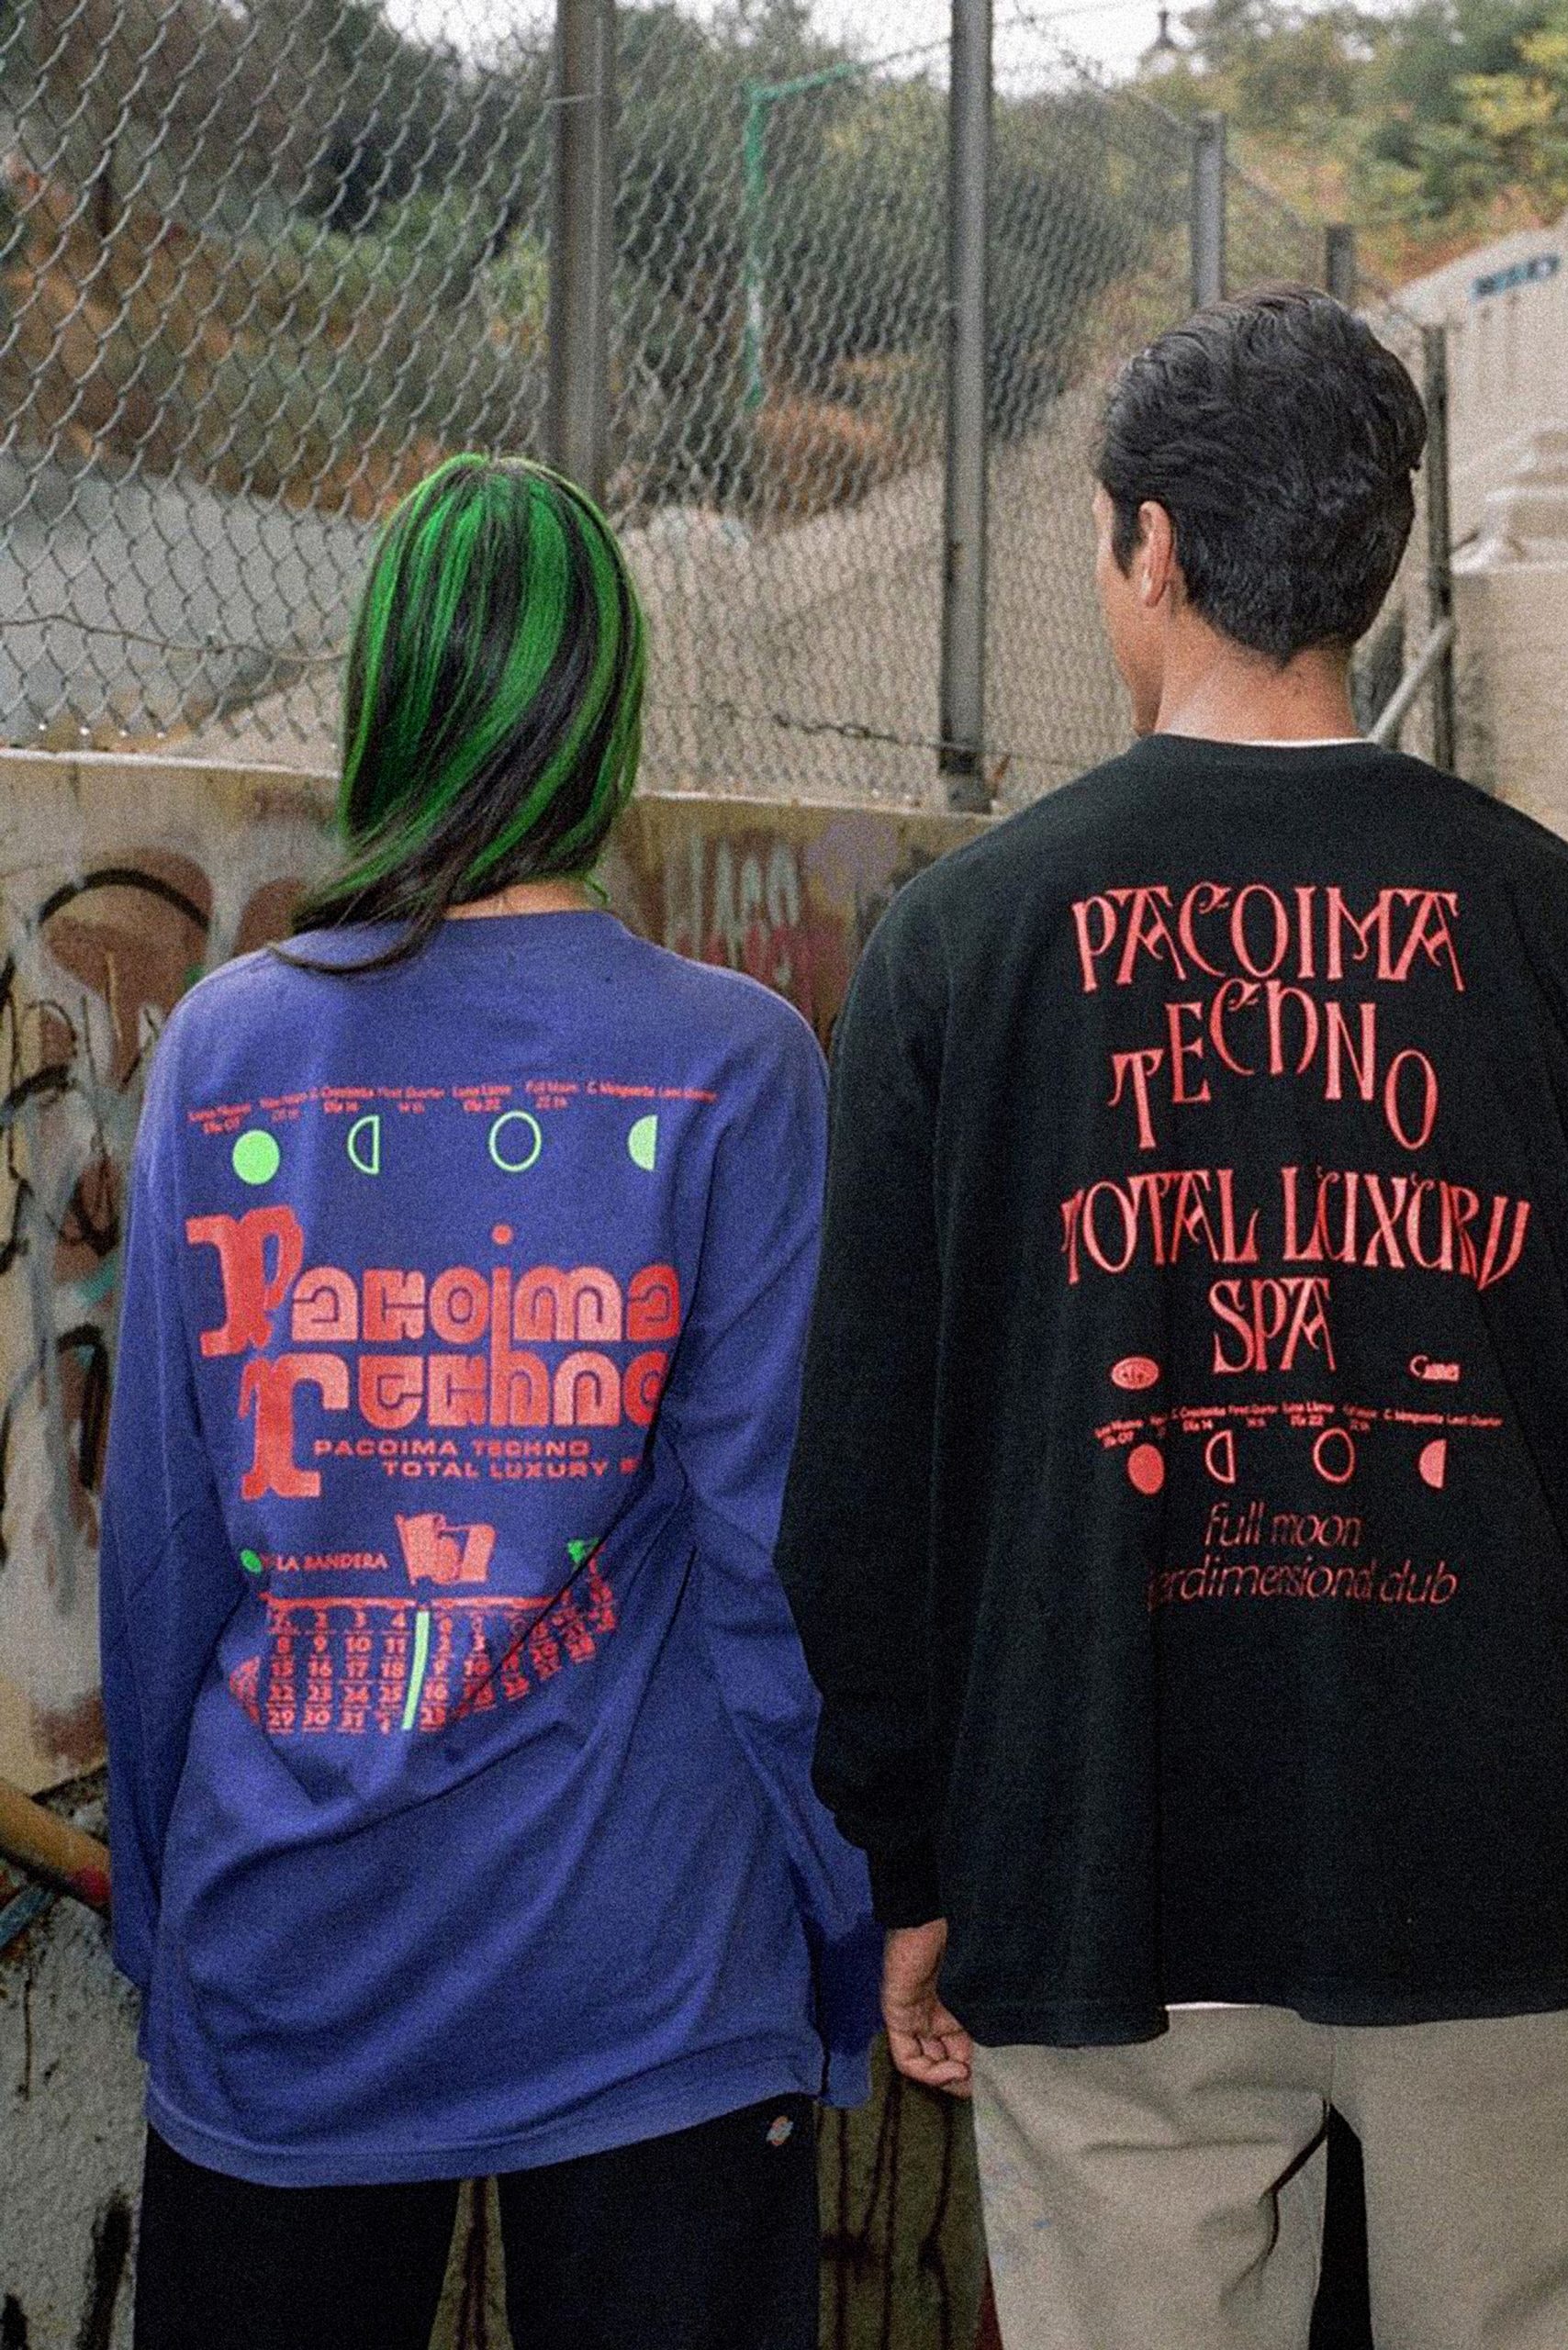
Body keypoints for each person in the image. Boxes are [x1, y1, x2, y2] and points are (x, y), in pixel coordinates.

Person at [773, 287, 1568, 2350]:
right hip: (1521, 1866)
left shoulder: (960, 946)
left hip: (1096, 1860)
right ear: (1377, 560)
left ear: (1147, 547)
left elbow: (866, 1476)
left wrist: (915, 1852)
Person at [99, 453, 876, 2350]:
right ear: (606, 718)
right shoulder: (737, 1065)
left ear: (384, 704)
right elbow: (774, 1569)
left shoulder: (225, 1049)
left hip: (294, 1967)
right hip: (655, 1983)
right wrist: (855, 1913)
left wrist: (167, 1913)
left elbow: (167, 1553)